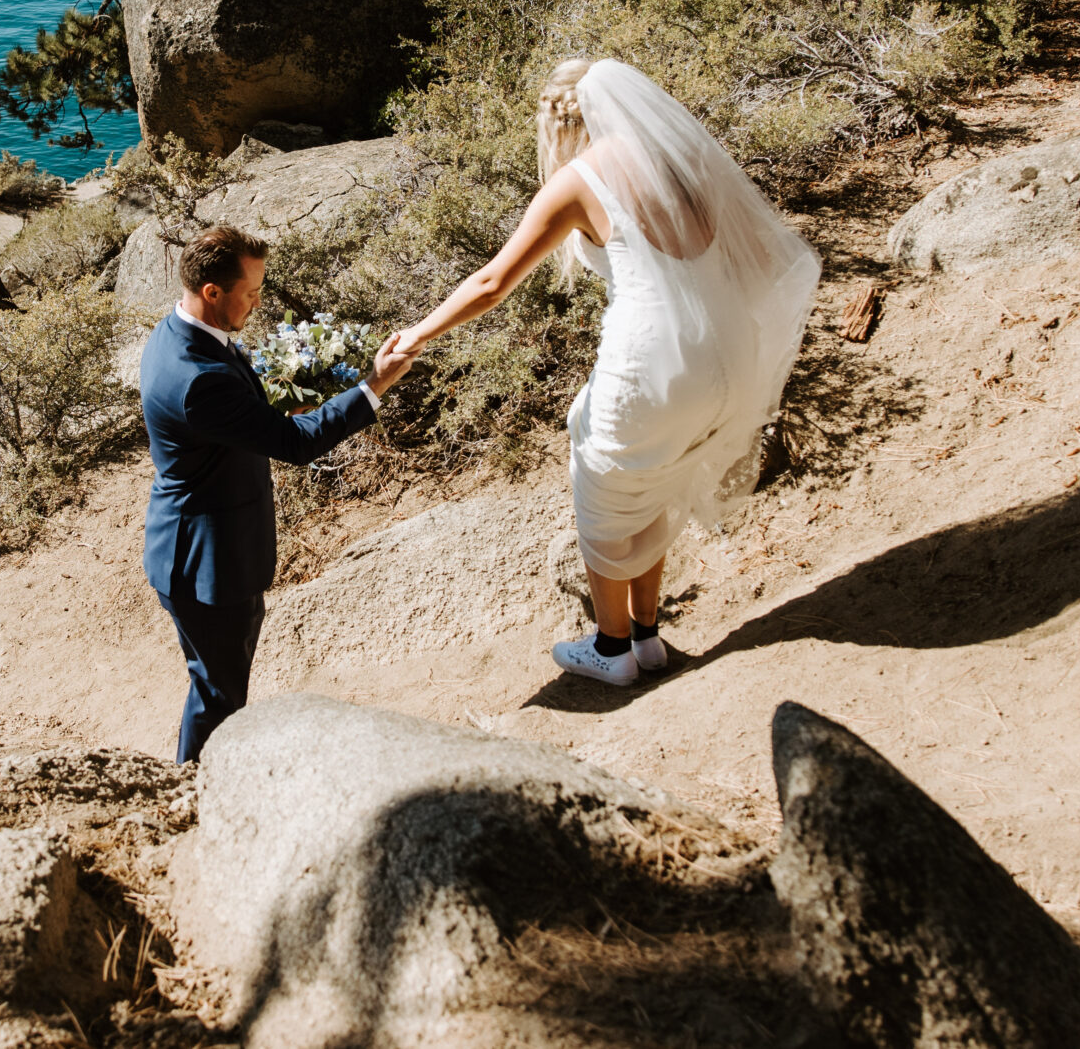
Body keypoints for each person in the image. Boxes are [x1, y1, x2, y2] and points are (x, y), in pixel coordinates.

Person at [378, 58, 820, 687]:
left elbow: (492, 283)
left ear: (560, 123)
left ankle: (611, 650)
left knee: (604, 487)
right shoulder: (677, 158)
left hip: (654, 362)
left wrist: (418, 332)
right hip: (726, 352)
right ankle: (647, 636)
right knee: (654, 478)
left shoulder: (578, 179)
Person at [140, 224, 412, 763]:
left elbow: (241, 424)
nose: (259, 301)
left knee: (213, 683)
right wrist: (373, 385)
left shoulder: (179, 335)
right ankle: (194, 788)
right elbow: (292, 443)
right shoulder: (198, 378)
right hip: (207, 565)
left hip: (193, 547)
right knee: (219, 694)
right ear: (212, 292)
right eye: (251, 291)